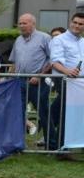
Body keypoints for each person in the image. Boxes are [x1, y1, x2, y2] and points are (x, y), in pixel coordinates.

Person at [9, 13, 52, 144]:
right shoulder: (18, 40)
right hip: (20, 81)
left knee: (44, 113)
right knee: (17, 113)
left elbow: (53, 60)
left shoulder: (45, 38)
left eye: (24, 23)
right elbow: (14, 62)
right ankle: (18, 144)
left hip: (38, 82)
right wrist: (12, 78)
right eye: (20, 23)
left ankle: (51, 143)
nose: (21, 26)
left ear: (33, 24)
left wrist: (39, 76)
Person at [47, 13, 84, 156]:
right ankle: (61, 148)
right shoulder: (59, 40)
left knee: (72, 113)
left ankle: (60, 144)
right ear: (70, 22)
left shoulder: (82, 42)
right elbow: (55, 62)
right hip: (64, 80)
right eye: (75, 22)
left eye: (81, 24)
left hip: (80, 84)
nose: (77, 26)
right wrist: (68, 71)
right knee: (65, 114)